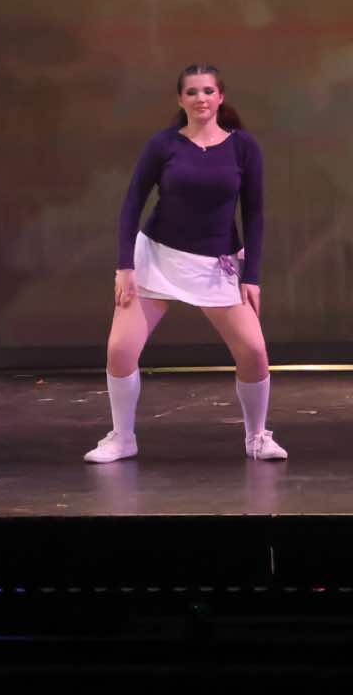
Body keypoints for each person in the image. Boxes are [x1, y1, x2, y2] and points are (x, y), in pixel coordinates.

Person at [85, 64, 282, 463]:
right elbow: (132, 203)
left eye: (207, 91)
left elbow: (255, 213)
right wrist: (125, 266)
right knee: (120, 348)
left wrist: (253, 276)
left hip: (216, 265)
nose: (200, 98)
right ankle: (122, 437)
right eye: (191, 92)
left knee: (253, 351)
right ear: (181, 99)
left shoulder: (243, 147)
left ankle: (257, 437)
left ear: (220, 96)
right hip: (157, 256)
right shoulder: (164, 145)